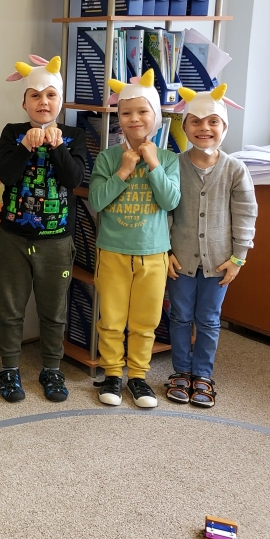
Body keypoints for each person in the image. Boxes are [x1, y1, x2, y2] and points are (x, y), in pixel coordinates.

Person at [0, 56, 87, 403]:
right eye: (34, 95)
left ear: (60, 101)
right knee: (10, 309)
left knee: (53, 311)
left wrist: (57, 146)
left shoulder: (74, 136)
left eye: (50, 95)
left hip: (56, 242)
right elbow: (7, 175)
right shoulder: (12, 132)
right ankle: (9, 369)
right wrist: (25, 146)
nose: (43, 102)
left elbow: (73, 179)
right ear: (24, 102)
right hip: (13, 239)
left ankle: (51, 368)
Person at [88, 70, 181, 408]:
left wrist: (154, 165)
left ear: (156, 116)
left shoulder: (168, 159)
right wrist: (123, 172)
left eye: (143, 111)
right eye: (126, 112)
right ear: (119, 119)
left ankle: (138, 376)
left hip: (153, 253)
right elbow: (96, 202)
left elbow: (170, 202)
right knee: (112, 319)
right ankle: (113, 373)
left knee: (146, 321)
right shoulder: (108, 158)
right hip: (112, 251)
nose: (135, 118)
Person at [166, 85, 257, 408]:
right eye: (195, 121)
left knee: (208, 318)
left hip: (220, 262)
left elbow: (246, 213)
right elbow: (165, 211)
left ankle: (202, 375)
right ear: (185, 126)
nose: (204, 128)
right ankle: (181, 371)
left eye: (213, 121)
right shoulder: (174, 165)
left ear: (224, 126)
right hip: (180, 259)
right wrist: (166, 251)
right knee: (179, 315)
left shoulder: (235, 169)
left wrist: (238, 257)